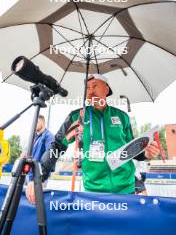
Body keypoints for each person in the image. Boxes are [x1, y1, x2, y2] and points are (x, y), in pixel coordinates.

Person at [26, 74, 159, 203]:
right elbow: (57, 146)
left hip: (126, 190)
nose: (90, 91)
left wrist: (145, 153)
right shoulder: (76, 116)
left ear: (106, 89)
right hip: (93, 192)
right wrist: (39, 177)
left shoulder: (122, 117)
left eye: (95, 86)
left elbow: (132, 149)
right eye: (87, 88)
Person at [22, 115, 54, 182]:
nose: (34, 124)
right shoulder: (34, 137)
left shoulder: (48, 136)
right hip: (29, 173)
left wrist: (43, 176)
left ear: (42, 123)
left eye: (36, 122)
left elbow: (51, 156)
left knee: (37, 192)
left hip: (39, 175)